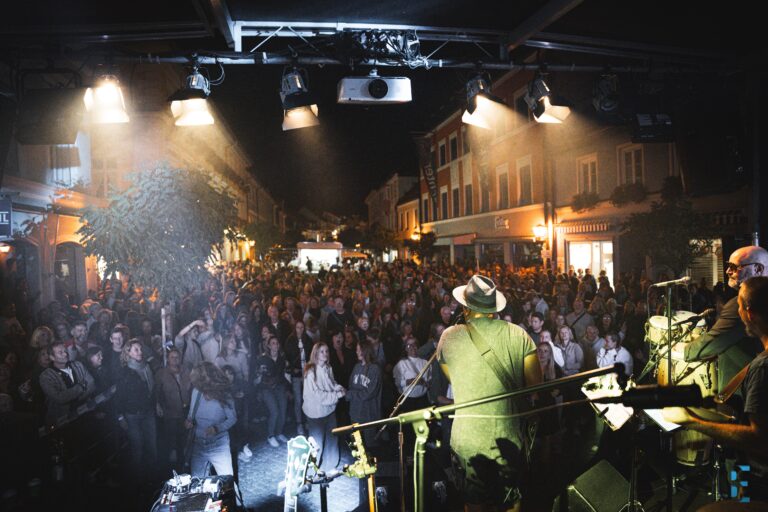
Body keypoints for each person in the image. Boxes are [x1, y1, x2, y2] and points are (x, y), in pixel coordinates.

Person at [438, 275, 542, 511]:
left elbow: (452, 377)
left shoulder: (449, 337)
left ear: (466, 306)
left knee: (474, 504)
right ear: (494, 307)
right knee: (510, 502)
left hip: (468, 439)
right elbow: (536, 384)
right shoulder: (519, 335)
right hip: (508, 438)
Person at [664, 276, 768, 508]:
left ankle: (735, 498)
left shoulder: (762, 368)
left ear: (749, 314)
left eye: (738, 307)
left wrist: (692, 421)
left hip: (755, 480)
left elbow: (758, 439)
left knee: (726, 503)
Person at [683, 246, 768, 394]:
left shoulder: (740, 304)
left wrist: (684, 349)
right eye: (728, 266)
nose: (728, 271)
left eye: (735, 267)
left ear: (758, 270)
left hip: (745, 396)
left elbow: (711, 344)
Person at [114, 339, 158, 476]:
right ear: (128, 353)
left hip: (148, 412)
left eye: (140, 349)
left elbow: (152, 389)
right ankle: (137, 479)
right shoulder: (125, 372)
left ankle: (153, 476)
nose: (140, 352)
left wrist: (156, 404)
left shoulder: (146, 366)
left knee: (152, 444)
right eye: (136, 350)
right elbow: (119, 396)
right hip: (133, 414)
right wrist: (120, 417)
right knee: (137, 447)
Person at [185, 362, 237, 477]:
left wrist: (217, 428)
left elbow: (232, 418)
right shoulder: (196, 392)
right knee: (197, 485)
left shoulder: (224, 394)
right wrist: (188, 421)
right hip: (198, 445)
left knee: (227, 484)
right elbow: (191, 415)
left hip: (219, 445)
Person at [302, 342, 345, 472]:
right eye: (321, 351)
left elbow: (331, 383)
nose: (325, 354)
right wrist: (337, 396)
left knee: (332, 439)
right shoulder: (311, 372)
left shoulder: (328, 368)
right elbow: (318, 396)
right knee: (316, 444)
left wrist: (338, 388)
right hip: (316, 414)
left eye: (326, 351)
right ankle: (311, 471)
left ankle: (330, 465)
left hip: (329, 410)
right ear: (315, 353)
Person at [39, 341, 96, 425]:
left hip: (86, 412)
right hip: (63, 420)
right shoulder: (46, 376)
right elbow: (60, 398)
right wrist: (81, 387)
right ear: (52, 357)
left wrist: (73, 398)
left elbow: (91, 384)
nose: (65, 354)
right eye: (60, 352)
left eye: (65, 351)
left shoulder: (78, 365)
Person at [346, 341, 382, 448]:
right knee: (357, 444)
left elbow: (369, 393)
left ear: (366, 351)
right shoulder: (356, 367)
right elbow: (351, 386)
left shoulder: (375, 369)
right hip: (355, 412)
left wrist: (349, 394)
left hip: (368, 414)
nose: (357, 352)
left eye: (359, 349)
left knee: (369, 444)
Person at [255, 336, 289, 447]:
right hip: (266, 388)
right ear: (269, 346)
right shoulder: (262, 359)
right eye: (273, 343)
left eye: (277, 343)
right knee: (275, 411)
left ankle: (279, 433)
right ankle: (270, 435)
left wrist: (288, 388)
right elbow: (257, 376)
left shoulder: (282, 359)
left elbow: (284, 375)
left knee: (283, 411)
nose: (275, 345)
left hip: (279, 386)